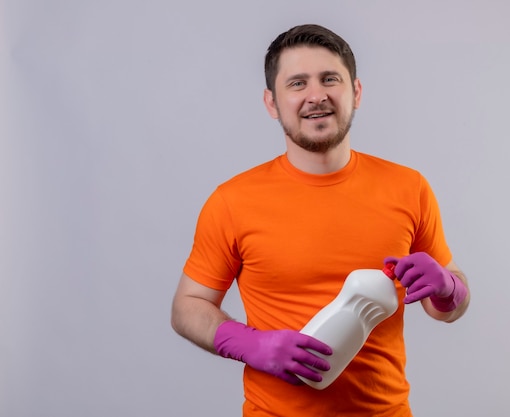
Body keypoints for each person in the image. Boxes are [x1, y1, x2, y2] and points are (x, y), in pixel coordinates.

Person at [171, 23, 470, 417]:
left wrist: (449, 289)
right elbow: (187, 307)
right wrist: (249, 344)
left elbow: (445, 309)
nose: (317, 95)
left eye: (330, 79)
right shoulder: (232, 201)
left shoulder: (409, 187)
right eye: (297, 83)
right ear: (272, 103)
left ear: (356, 92)